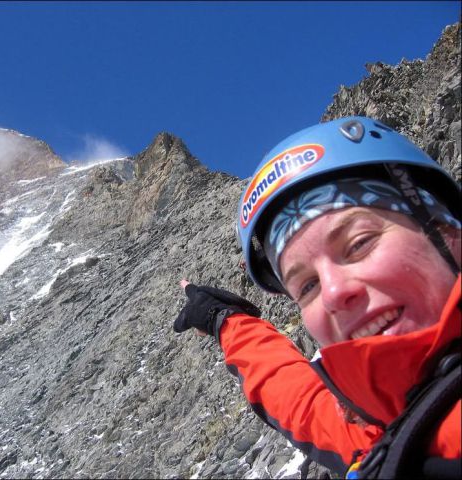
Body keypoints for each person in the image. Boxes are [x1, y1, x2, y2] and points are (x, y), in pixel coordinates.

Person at [174, 116, 461, 479]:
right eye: (307, 286)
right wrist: (225, 320)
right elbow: (297, 398)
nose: (334, 293)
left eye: (359, 244)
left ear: (447, 227)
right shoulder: (380, 434)